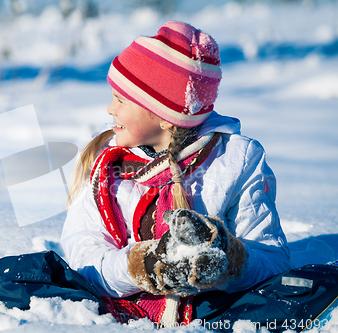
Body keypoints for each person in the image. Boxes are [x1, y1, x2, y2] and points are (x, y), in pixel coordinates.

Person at [60, 20, 292, 327]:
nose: (109, 109)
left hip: (211, 308)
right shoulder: (106, 164)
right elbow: (82, 255)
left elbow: (272, 261)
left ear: (165, 117)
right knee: (19, 276)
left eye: (120, 100)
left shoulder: (236, 160)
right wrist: (140, 267)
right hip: (122, 304)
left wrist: (227, 261)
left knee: (309, 289)